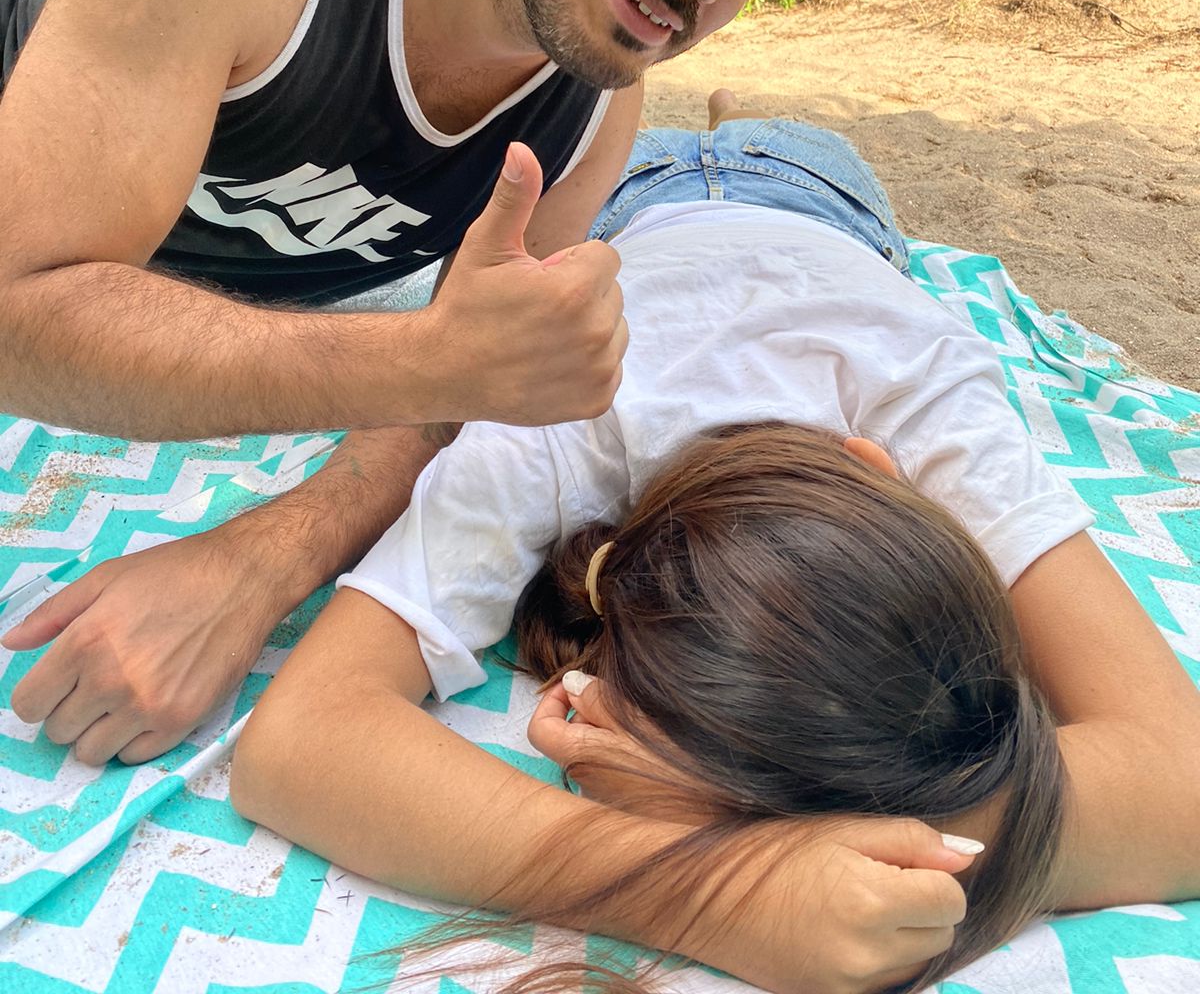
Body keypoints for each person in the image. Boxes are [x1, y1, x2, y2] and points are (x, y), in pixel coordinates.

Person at [0, 0, 877, 763]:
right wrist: (429, 358)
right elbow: (19, 312)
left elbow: (471, 394)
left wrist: (254, 562)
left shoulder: (598, 96)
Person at [229, 95, 1200, 992]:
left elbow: (1182, 786)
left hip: (790, 215)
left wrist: (731, 833)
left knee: (749, 124)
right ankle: (733, 116)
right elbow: (296, 745)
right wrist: (722, 891)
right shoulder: (557, 427)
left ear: (876, 471)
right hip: (700, 207)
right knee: (702, 141)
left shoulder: (920, 398)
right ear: (879, 464)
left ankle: (735, 114)